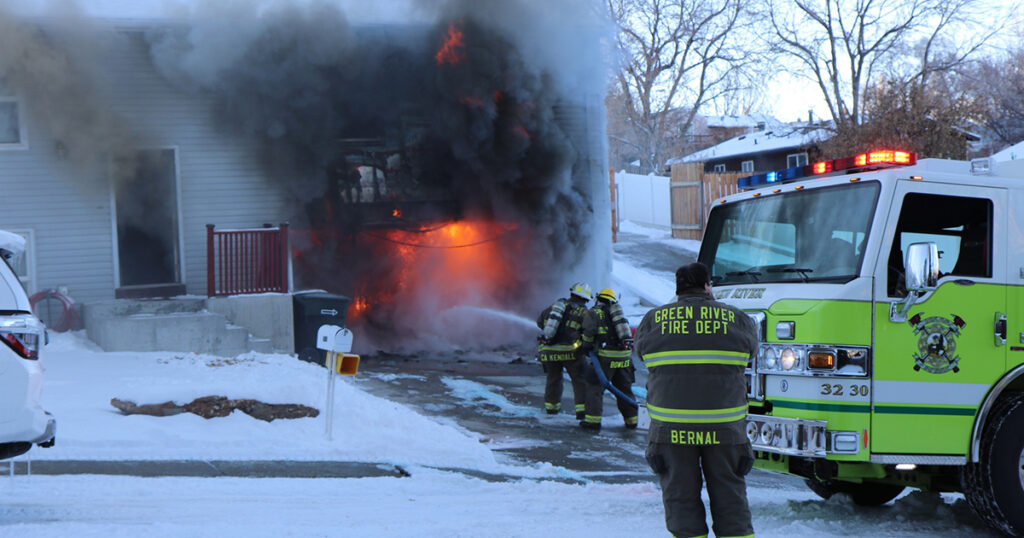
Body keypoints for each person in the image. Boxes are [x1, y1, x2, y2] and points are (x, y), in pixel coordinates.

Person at [634, 262, 758, 538]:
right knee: (731, 497)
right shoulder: (737, 319)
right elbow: (751, 353)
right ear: (706, 286)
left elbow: (641, 355)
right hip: (725, 428)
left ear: (678, 289)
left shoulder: (654, 320)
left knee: (680, 498)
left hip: (671, 429)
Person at [536, 282, 596, 420]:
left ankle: (551, 409)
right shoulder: (584, 312)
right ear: (586, 299)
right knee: (579, 380)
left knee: (553, 379)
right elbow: (590, 330)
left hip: (549, 351)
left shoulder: (555, 307)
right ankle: (581, 412)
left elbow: (540, 322)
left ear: (572, 293)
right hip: (571, 352)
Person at [580, 287, 638, 432]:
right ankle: (632, 421)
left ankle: (593, 422)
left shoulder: (593, 313)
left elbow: (589, 332)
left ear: (599, 298)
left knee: (594, 388)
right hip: (624, 357)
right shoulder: (617, 313)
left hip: (605, 357)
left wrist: (585, 346)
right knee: (624, 389)